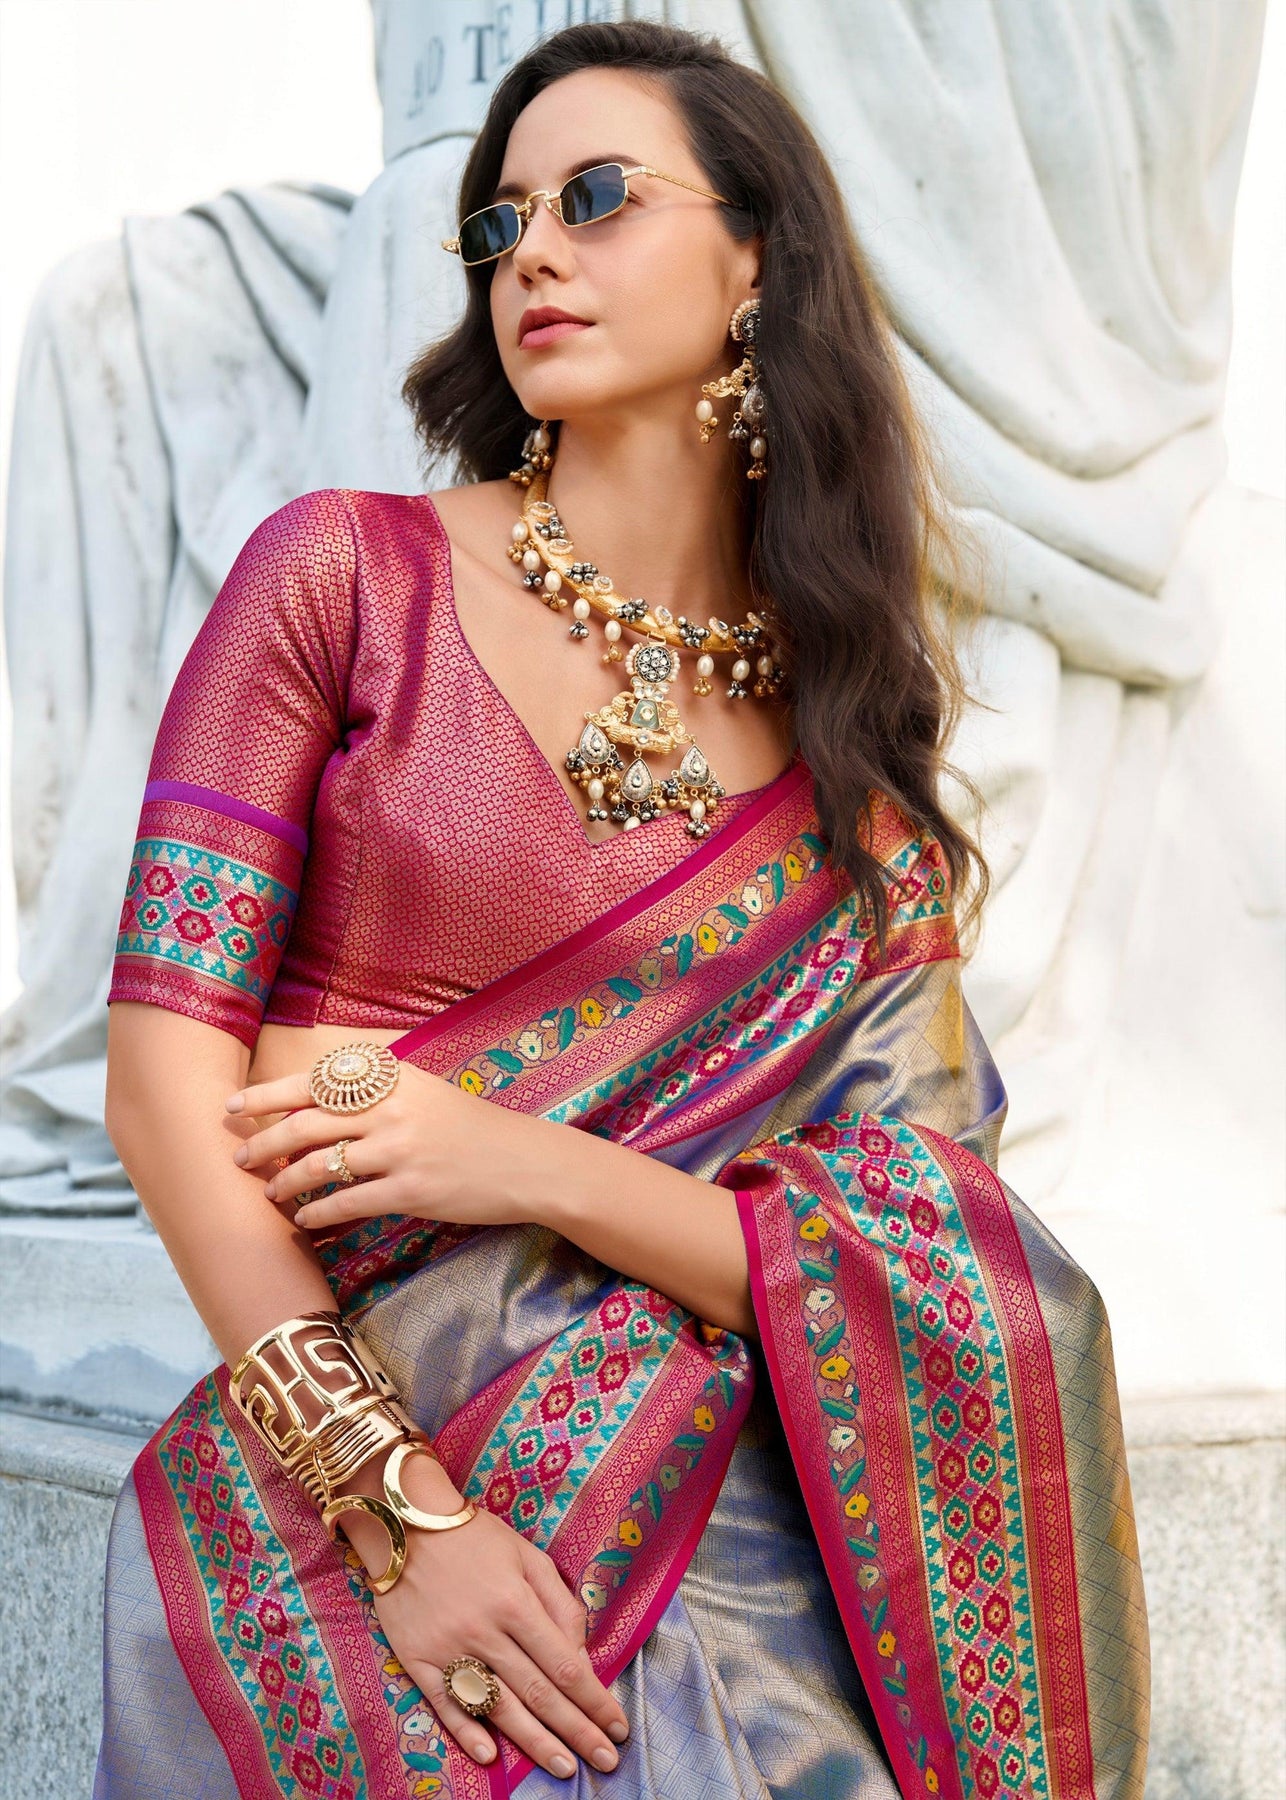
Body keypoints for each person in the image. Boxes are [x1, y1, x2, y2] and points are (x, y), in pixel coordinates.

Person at [96, 20, 1148, 1800]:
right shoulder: (342, 578)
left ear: (756, 263)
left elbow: (925, 1275)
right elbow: (162, 1086)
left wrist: (511, 1157)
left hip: (734, 1512)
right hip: (363, 1455)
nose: (533, 254)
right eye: (498, 223)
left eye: (595, 197)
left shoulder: (846, 774)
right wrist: (399, 1515)